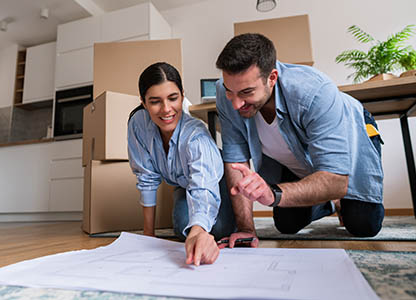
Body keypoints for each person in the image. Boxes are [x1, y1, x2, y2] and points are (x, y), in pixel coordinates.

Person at [215, 33, 384, 248]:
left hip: (355, 131)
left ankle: (340, 201)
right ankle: (328, 204)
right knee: (287, 224)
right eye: (231, 91)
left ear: (272, 78)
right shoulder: (224, 93)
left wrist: (273, 192)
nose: (237, 104)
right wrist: (246, 229)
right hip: (293, 158)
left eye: (247, 92)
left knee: (363, 225)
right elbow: (235, 161)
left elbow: (335, 179)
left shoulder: (315, 92)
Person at [128, 62, 235, 265]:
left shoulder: (196, 137)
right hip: (182, 183)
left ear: (183, 95)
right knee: (183, 226)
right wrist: (148, 235)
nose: (166, 109)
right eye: (155, 101)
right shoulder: (138, 124)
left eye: (173, 98)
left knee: (212, 229)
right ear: (143, 102)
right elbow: (146, 177)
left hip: (214, 180)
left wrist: (198, 232)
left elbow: (203, 186)